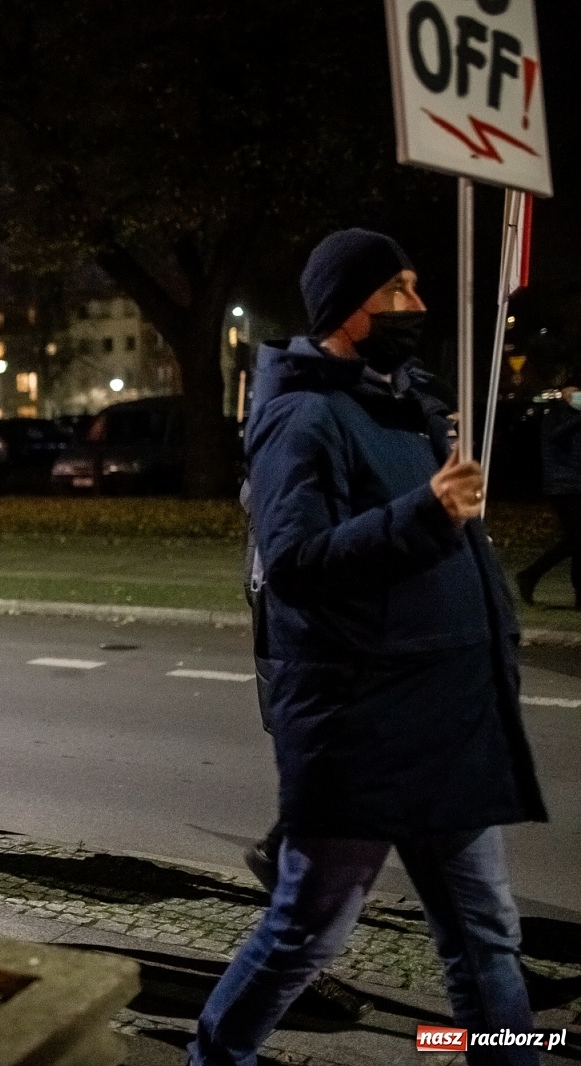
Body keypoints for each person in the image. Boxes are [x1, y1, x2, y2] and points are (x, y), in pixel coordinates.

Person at [189, 229, 547, 1066]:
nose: (420, 307)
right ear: (351, 307)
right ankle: (216, 1057)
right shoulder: (301, 417)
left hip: (444, 721)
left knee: (487, 936)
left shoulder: (404, 404)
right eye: (401, 291)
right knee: (306, 933)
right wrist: (424, 511)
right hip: (365, 729)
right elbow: (298, 564)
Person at [516, 377, 581, 609]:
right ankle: (529, 574)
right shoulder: (554, 414)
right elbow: (556, 436)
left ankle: (578, 593)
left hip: (575, 484)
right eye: (572, 392)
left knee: (577, 539)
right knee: (576, 537)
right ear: (563, 392)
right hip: (561, 485)